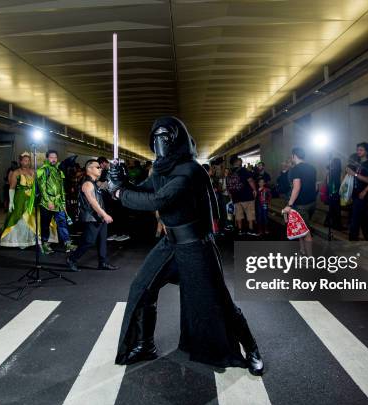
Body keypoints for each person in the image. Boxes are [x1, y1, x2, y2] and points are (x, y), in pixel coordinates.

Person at [108, 116, 264, 376]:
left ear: (177, 139)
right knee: (142, 288)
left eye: (165, 137)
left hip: (195, 246)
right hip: (170, 244)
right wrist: (123, 181)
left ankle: (252, 349)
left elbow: (158, 199)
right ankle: (144, 344)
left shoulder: (190, 170)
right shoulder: (160, 169)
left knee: (219, 302)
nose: (160, 143)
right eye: (156, 137)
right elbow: (144, 189)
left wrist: (119, 192)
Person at [66, 160, 118, 271]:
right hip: (92, 217)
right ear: (89, 169)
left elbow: (105, 187)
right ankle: (72, 259)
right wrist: (104, 215)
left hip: (99, 216)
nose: (100, 169)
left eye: (100, 167)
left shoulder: (94, 182)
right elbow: (92, 202)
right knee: (89, 241)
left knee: (102, 240)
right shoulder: (87, 183)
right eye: (97, 167)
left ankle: (102, 263)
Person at [1, 152, 57, 248]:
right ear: (21, 161)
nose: (27, 162)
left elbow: (40, 185)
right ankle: (22, 240)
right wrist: (11, 202)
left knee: (37, 217)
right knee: (21, 218)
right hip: (21, 198)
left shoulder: (34, 171)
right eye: (25, 160)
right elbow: (12, 187)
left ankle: (38, 239)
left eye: (29, 160)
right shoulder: (16, 172)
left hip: (34, 197)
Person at [37, 150, 76, 254]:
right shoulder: (43, 170)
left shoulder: (59, 171)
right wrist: (48, 201)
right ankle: (44, 244)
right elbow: (42, 188)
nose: (53, 159)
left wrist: (63, 202)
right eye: (51, 157)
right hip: (46, 203)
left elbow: (62, 188)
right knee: (45, 224)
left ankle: (67, 243)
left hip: (58, 203)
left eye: (55, 157)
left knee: (62, 223)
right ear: (47, 158)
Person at [283, 147, 317, 253]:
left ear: (294, 156)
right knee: (301, 228)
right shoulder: (312, 168)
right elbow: (315, 186)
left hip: (301, 205)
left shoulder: (295, 169)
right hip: (312, 202)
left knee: (305, 231)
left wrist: (289, 204)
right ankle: (302, 250)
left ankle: (310, 258)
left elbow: (296, 188)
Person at [347, 142, 368, 241]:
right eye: (358, 149)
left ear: (367, 152)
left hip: (363, 195)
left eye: (361, 150)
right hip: (357, 194)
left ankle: (352, 240)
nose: (358, 152)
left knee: (355, 219)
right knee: (363, 219)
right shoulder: (360, 164)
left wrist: (354, 174)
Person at [226, 155, 258, 235]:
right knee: (250, 213)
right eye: (239, 160)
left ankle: (240, 230)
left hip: (236, 197)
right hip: (247, 196)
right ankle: (250, 230)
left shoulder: (229, 172)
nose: (241, 160)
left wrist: (231, 196)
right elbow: (250, 180)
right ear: (237, 162)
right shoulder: (243, 170)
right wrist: (254, 189)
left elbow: (228, 186)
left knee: (238, 214)